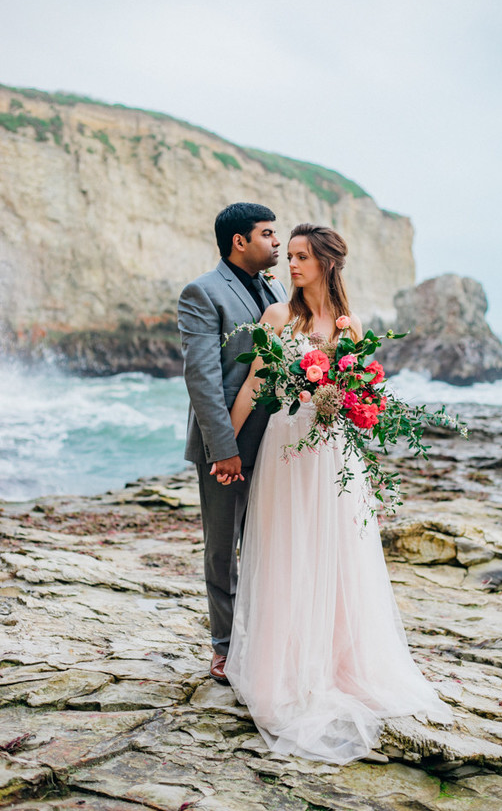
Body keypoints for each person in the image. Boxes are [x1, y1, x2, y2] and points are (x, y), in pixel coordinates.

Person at [222, 223, 453, 764]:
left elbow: (365, 392)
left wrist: (351, 403)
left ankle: (338, 665)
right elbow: (256, 384)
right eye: (291, 255)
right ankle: (283, 670)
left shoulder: (350, 327)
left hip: (335, 452)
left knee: (338, 552)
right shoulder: (278, 317)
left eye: (302, 256)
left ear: (325, 263)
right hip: (288, 446)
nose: (292, 264)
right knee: (286, 550)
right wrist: (225, 450)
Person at [177, 202, 288, 683]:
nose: (277, 242)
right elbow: (202, 378)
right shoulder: (202, 293)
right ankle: (224, 646)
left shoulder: (280, 290)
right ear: (239, 241)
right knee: (223, 548)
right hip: (227, 442)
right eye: (267, 233)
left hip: (280, 440)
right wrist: (223, 448)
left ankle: (264, 637)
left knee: (269, 543)